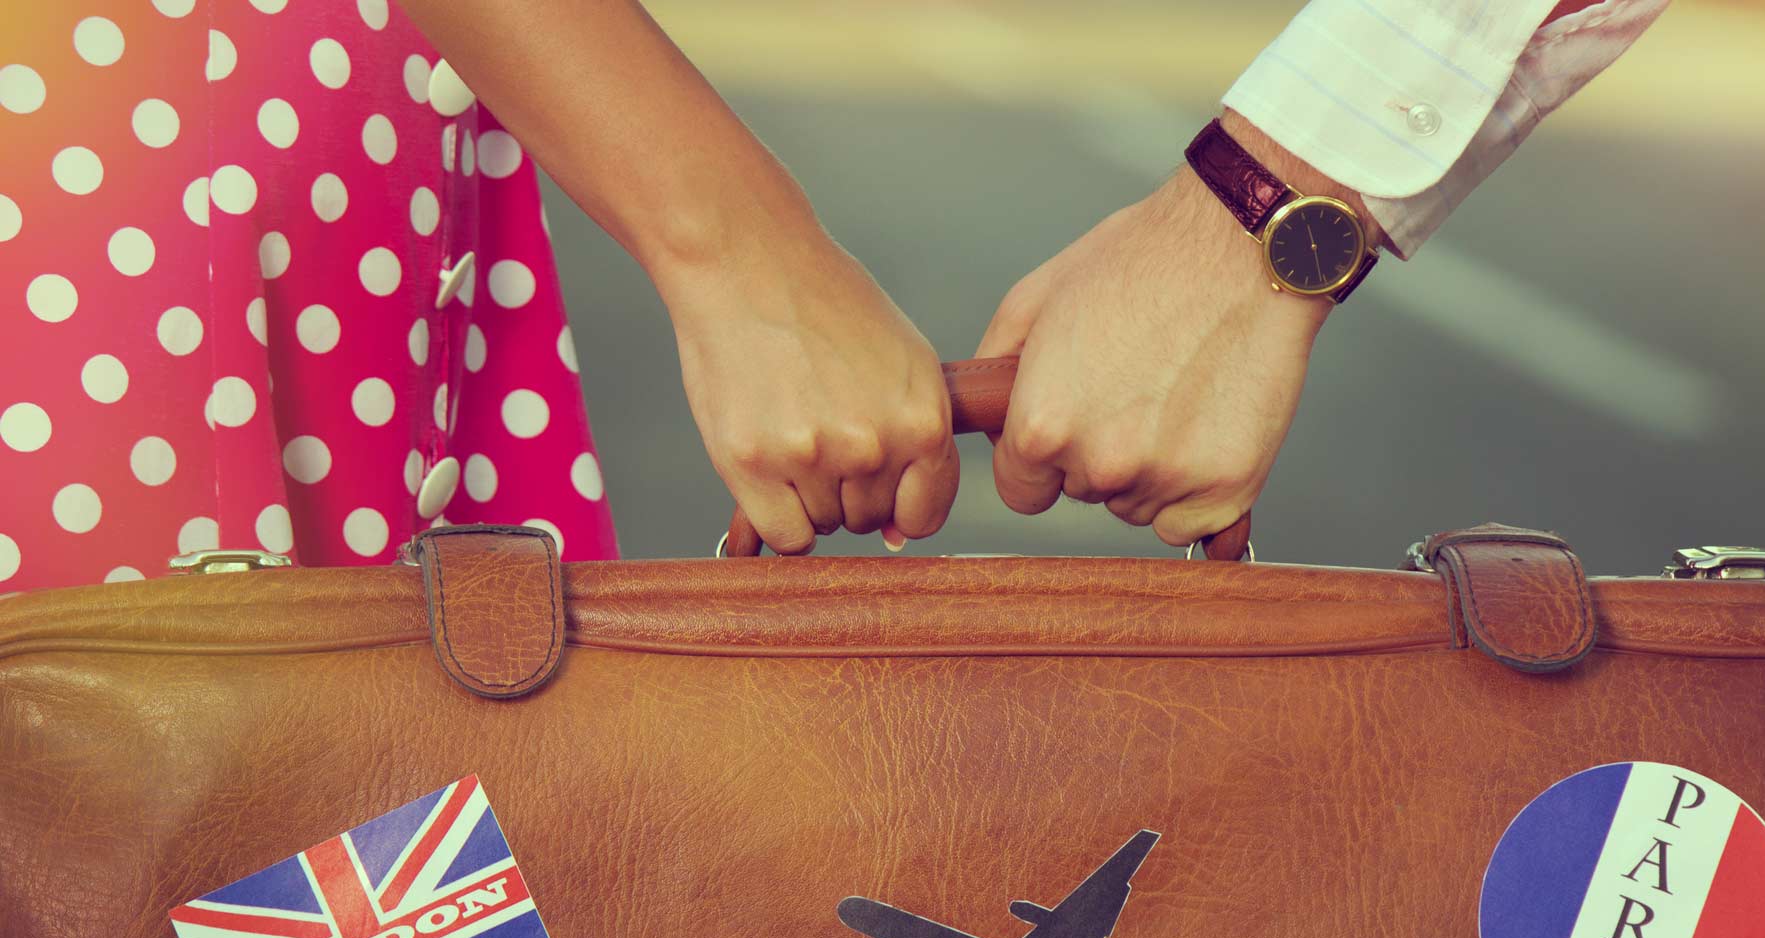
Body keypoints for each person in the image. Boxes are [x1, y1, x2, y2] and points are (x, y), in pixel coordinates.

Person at [0, 0, 1664, 592]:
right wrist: (739, 249)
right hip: (142, 184)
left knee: (314, 930)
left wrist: (1250, 232)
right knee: (153, 876)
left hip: (279, 175)